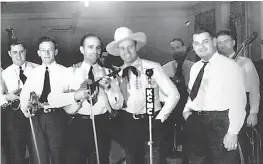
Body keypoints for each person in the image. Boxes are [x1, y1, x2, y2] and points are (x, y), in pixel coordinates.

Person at [106, 27, 180, 164]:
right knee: (132, 160)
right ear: (118, 51)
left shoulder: (153, 67)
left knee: (154, 160)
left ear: (136, 47)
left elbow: (174, 94)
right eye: (122, 48)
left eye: (130, 47)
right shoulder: (117, 74)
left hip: (152, 121)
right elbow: (117, 105)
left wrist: (160, 119)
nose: (127, 52)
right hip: (129, 124)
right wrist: (111, 89)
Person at [47, 34, 124, 164]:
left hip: (102, 125)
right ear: (82, 50)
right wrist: (75, 95)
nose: (95, 51)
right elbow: (52, 99)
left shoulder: (108, 73)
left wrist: (109, 88)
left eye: (98, 48)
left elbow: (118, 105)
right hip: (78, 125)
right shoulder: (69, 72)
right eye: (90, 47)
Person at [182, 27, 247, 164]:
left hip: (219, 123)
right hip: (196, 122)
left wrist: (233, 132)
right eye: (196, 43)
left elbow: (239, 101)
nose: (201, 46)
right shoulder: (195, 67)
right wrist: (187, 110)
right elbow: (193, 92)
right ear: (193, 46)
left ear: (214, 41)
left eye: (205, 41)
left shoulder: (230, 66)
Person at [20, 36, 69, 164]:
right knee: (39, 155)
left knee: (58, 155)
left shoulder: (65, 72)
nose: (47, 53)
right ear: (39, 53)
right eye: (43, 50)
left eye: (50, 50)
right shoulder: (33, 73)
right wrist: (26, 108)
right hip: (37, 117)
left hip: (57, 116)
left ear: (56, 51)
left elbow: (71, 95)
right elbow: (24, 95)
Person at [1, 39, 38, 164]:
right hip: (14, 115)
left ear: (25, 52)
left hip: (35, 113)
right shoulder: (4, 74)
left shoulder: (37, 69)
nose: (18, 55)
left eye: (21, 51)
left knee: (37, 150)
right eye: (15, 52)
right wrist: (7, 97)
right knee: (17, 153)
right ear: (9, 54)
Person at [216, 30, 260, 127]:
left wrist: (253, 112)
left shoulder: (245, 63)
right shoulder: (215, 64)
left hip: (241, 108)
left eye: (226, 41)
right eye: (219, 42)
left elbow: (254, 88)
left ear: (234, 43)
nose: (222, 45)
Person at [161, 38, 194, 158]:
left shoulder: (193, 67)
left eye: (178, 47)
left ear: (184, 48)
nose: (176, 51)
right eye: (173, 49)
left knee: (188, 132)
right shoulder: (165, 68)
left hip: (188, 105)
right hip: (173, 106)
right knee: (167, 131)